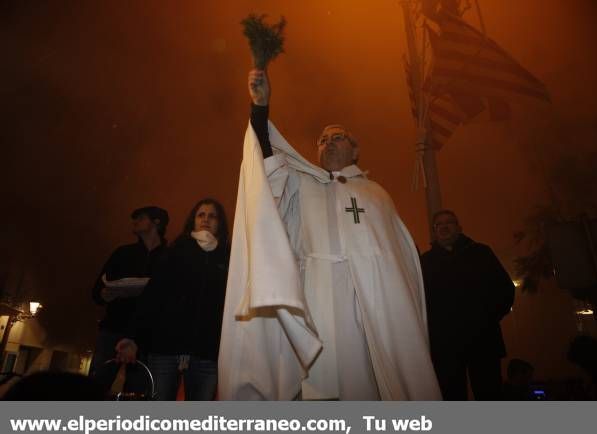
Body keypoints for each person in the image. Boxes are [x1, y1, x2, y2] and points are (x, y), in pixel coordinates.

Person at [218, 69, 441, 400]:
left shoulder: (375, 193)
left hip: (367, 302)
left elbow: (397, 261)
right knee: (318, 390)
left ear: (355, 150)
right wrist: (260, 107)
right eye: (322, 139)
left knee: (364, 384)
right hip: (315, 293)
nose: (328, 143)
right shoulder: (302, 183)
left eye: (337, 137)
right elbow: (265, 162)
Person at [115, 199, 229, 401]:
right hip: (166, 348)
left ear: (220, 223)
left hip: (207, 352)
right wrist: (132, 336)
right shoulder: (176, 252)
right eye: (201, 214)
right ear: (192, 220)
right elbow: (153, 295)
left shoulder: (228, 258)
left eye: (212, 215)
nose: (206, 219)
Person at [420, 209, 515, 400]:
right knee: (451, 396)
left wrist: (489, 317)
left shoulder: (480, 253)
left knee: (489, 393)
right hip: (446, 345)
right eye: (439, 224)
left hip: (483, 340)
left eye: (449, 223)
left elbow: (504, 289)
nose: (444, 227)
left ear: (459, 228)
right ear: (434, 230)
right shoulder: (425, 262)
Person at [90, 206, 169, 380]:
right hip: (113, 329)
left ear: (157, 222)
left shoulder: (169, 258)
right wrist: (107, 294)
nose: (135, 222)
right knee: (96, 388)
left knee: (137, 393)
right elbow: (97, 292)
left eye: (141, 217)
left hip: (147, 335)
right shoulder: (122, 253)